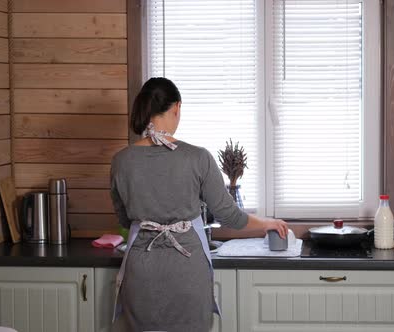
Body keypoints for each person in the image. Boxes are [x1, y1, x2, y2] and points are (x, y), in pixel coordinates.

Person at [110, 77, 289, 332]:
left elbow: (125, 219)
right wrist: (267, 223)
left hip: (142, 273)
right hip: (187, 271)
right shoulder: (197, 157)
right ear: (177, 108)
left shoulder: (121, 161)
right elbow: (229, 216)